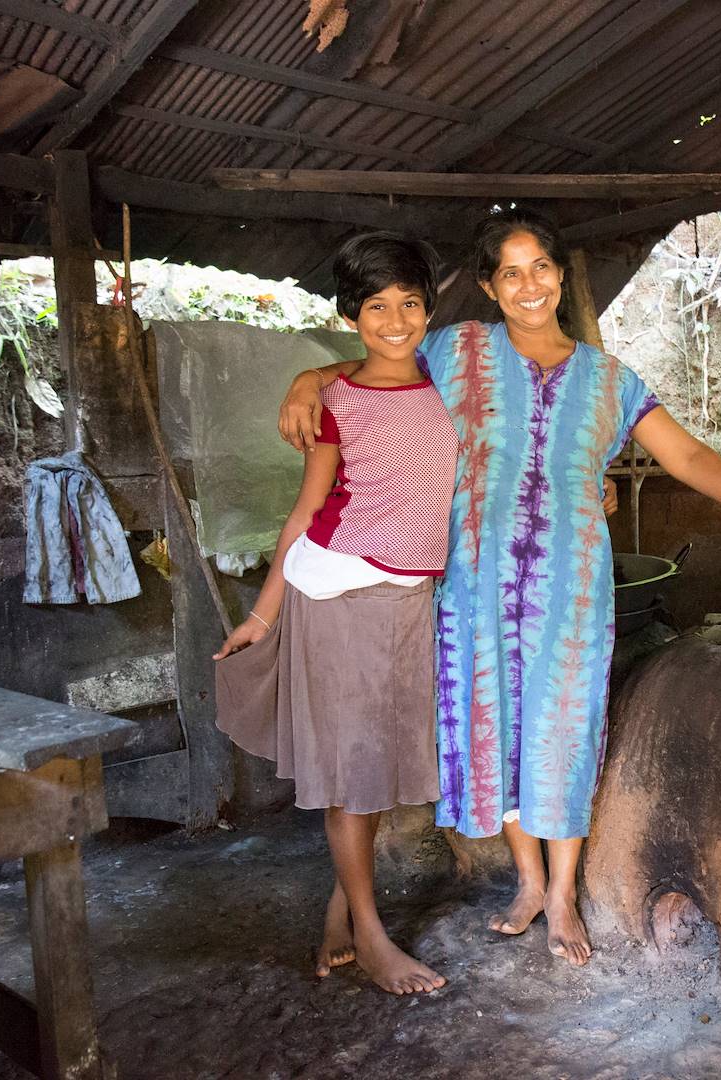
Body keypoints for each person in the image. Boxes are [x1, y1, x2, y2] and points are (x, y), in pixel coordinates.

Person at [279, 207, 721, 967]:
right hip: (473, 584)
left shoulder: (610, 381)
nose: (528, 285)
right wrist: (304, 379)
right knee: (500, 727)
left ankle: (561, 895)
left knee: (564, 728)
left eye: (540, 267)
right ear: (488, 285)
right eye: (509, 272)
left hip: (571, 588)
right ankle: (524, 881)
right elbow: (373, 364)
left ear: (559, 275)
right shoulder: (456, 351)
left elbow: (685, 456)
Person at [214, 232, 456, 995]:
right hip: (335, 594)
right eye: (375, 306)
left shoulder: (454, 383)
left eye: (410, 303)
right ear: (351, 315)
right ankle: (376, 937)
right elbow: (304, 511)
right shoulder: (336, 400)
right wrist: (262, 615)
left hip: (409, 598)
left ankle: (339, 909)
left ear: (430, 309)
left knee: (377, 768)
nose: (395, 320)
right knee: (355, 776)